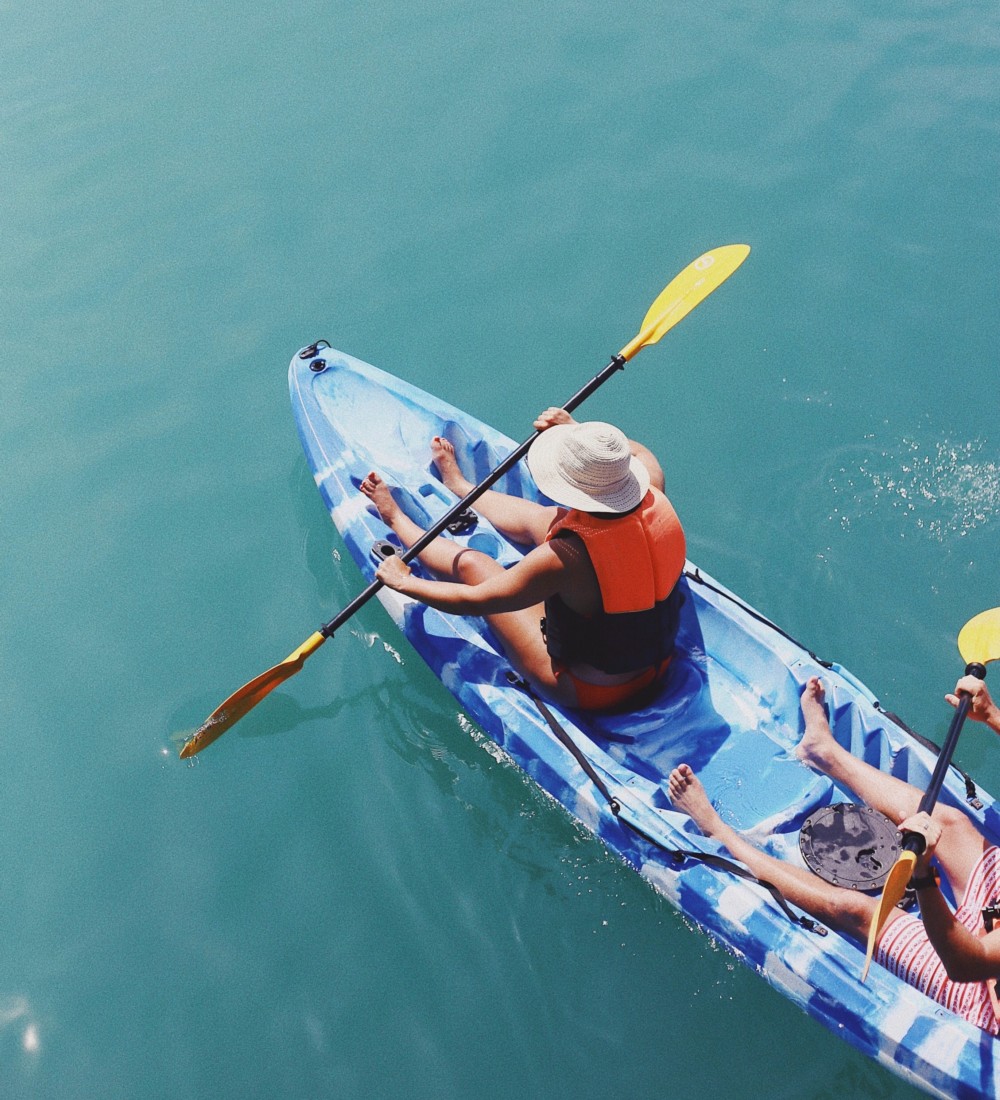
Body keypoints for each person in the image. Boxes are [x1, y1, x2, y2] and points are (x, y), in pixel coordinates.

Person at [668, 675, 1000, 1034]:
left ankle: (720, 833)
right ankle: (822, 749)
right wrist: (991, 715)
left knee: (856, 910)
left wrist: (921, 876)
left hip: (980, 984)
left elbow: (967, 962)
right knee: (950, 822)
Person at [360, 407, 686, 711]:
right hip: (659, 662)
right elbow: (641, 453)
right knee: (546, 519)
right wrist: (577, 432)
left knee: (479, 567)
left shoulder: (565, 558)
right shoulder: (654, 485)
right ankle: (461, 486)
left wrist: (404, 580)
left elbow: (475, 600)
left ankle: (396, 520)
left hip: (590, 691)